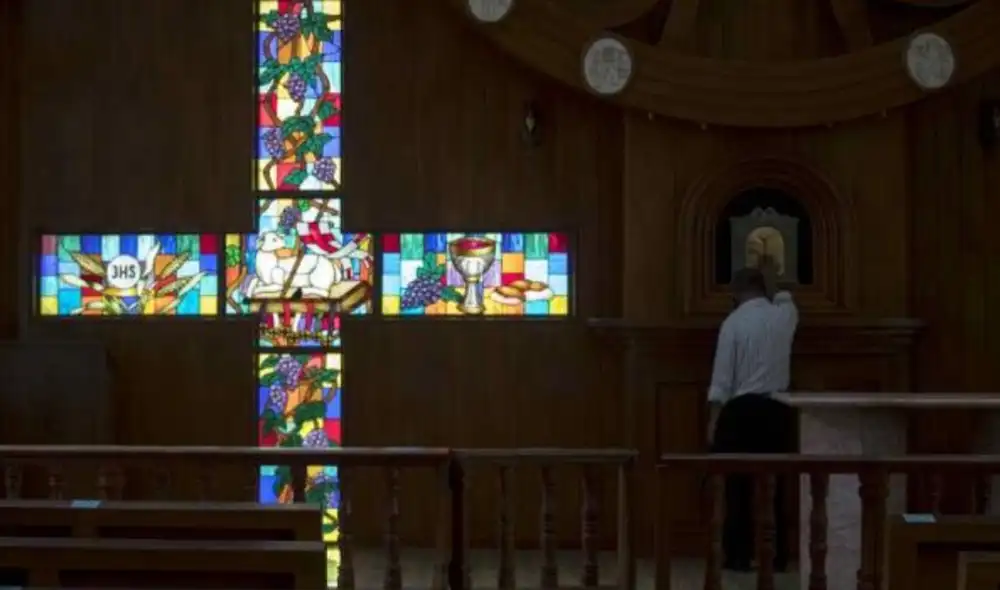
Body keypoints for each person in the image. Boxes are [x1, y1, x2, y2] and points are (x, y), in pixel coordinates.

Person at [707, 260, 798, 572]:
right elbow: (786, 296)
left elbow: (722, 379)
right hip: (776, 409)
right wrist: (775, 282)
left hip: (740, 410)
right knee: (776, 486)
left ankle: (737, 555)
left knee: (737, 487)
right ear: (763, 289)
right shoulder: (785, 316)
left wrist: (714, 420)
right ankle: (777, 555)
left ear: (737, 293)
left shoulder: (733, 323)